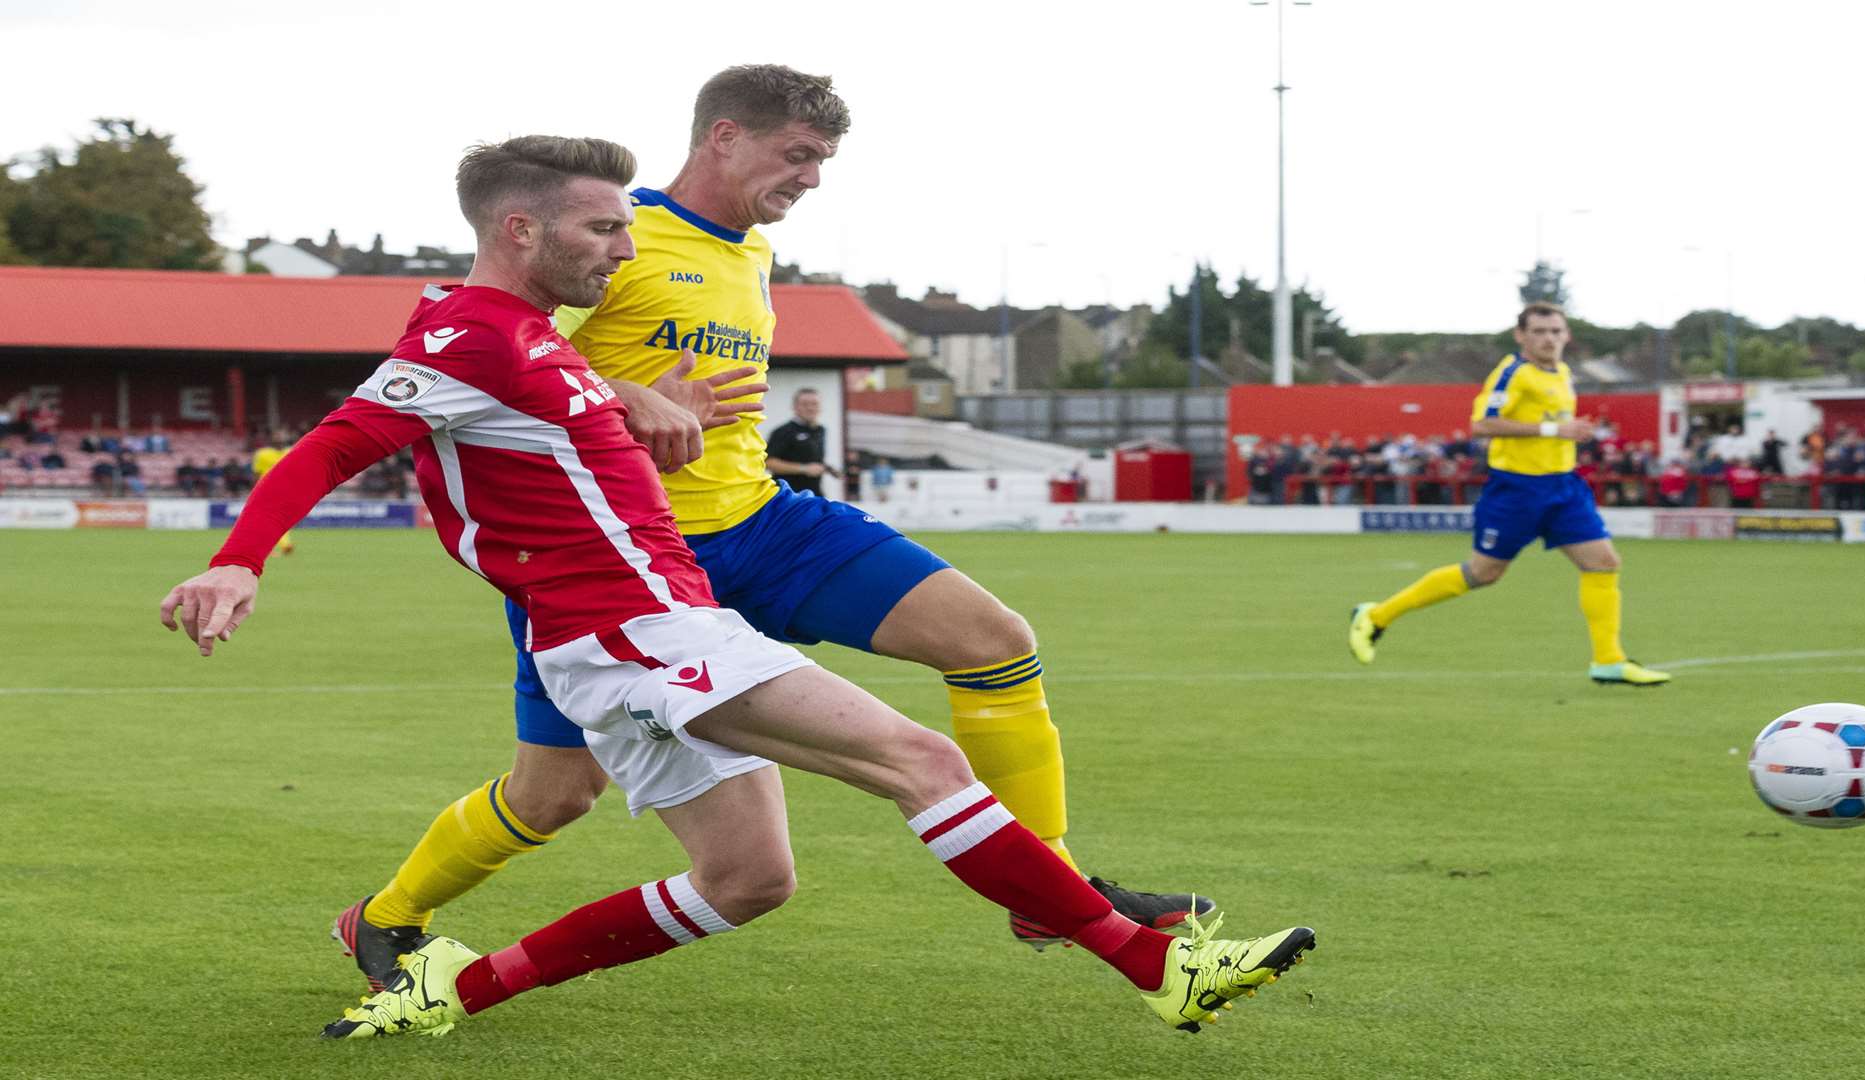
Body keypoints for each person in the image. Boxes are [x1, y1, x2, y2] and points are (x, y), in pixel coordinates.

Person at [157, 135, 1313, 1040]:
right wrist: (236, 558)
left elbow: (545, 423)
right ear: (520, 229)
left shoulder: (531, 339)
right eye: (603, 227)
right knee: (925, 762)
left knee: (747, 879)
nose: (624, 245)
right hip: (632, 633)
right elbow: (333, 445)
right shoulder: (465, 335)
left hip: (653, 628)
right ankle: (1156, 966)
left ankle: (454, 991)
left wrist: (634, 410)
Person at [333, 64, 1209, 982]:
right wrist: (624, 394)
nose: (811, 178)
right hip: (623, 566)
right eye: (797, 154)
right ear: (724, 136)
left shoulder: (750, 248)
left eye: (823, 159)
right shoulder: (604, 231)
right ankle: (387, 917)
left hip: (765, 524)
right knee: (553, 796)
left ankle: (1052, 894)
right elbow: (483, 351)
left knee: (993, 640)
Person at [1346, 302, 1670, 687]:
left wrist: (1568, 432)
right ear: (1521, 336)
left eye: (1555, 331)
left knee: (1603, 563)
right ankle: (1376, 616)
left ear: (1566, 335)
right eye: (1539, 331)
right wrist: (1554, 432)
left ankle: (1608, 660)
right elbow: (1482, 424)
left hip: (1562, 487)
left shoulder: (1563, 373)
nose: (1549, 339)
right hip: (1517, 490)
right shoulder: (1513, 373)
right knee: (1483, 573)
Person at [765, 386, 836, 495]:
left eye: (814, 404)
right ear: (794, 407)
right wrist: (804, 469)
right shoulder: (783, 431)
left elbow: (812, 459)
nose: (810, 408)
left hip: (814, 494)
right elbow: (768, 462)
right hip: (789, 496)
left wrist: (829, 469)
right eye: (805, 404)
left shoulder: (821, 430)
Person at [251, 429, 298, 556]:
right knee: (267, 520)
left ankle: (281, 545)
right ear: (272, 439)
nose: (280, 439)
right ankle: (281, 545)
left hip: (284, 490)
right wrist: (254, 491)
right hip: (265, 490)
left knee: (278, 520)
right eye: (277, 437)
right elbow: (256, 473)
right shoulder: (262, 454)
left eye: (282, 436)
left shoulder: (292, 451)